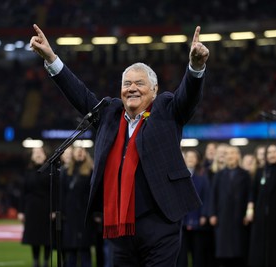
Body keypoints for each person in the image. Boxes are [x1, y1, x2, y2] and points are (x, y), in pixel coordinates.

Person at [30, 23, 209, 266]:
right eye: (127, 84)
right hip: (120, 227)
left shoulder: (166, 109)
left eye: (139, 83)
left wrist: (195, 67)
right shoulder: (110, 113)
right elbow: (80, 95)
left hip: (159, 223)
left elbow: (187, 97)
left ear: (154, 91)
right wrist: (51, 58)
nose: (132, 88)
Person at [247, 144, 276, 267]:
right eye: (269, 152)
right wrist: (250, 209)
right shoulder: (260, 171)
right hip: (260, 214)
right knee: (260, 245)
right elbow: (253, 192)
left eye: (274, 152)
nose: (272, 155)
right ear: (266, 156)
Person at [209, 145, 251, 267]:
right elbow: (213, 195)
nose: (230, 156)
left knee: (239, 250)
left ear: (238, 156)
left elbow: (250, 195)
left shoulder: (245, 174)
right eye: (228, 154)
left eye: (233, 153)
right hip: (222, 217)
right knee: (223, 252)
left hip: (239, 217)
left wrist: (248, 213)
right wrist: (212, 214)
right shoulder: (219, 175)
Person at [18, 146, 53, 267]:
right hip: (31, 208)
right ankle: (35, 260)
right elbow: (23, 192)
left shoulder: (50, 170)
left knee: (47, 236)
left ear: (45, 155)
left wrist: (54, 209)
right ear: (32, 157)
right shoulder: (28, 172)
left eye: (40, 152)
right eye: (35, 153)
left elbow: (54, 191)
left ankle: (46, 261)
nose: (38, 154)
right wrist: (21, 211)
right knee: (34, 237)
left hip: (46, 207)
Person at [60, 146, 95, 267]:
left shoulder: (91, 172)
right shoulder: (65, 172)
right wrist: (62, 211)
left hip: (85, 215)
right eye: (78, 151)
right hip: (70, 216)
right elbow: (62, 194)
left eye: (82, 151)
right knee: (71, 250)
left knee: (85, 249)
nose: (80, 153)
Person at [177, 149, 211, 267]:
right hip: (182, 219)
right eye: (188, 157)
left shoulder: (202, 175)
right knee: (182, 251)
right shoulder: (179, 175)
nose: (190, 159)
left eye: (193, 157)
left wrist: (204, 214)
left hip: (197, 218)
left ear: (197, 160)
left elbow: (207, 196)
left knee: (197, 251)